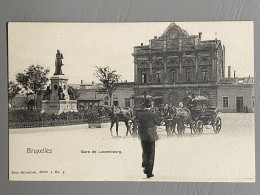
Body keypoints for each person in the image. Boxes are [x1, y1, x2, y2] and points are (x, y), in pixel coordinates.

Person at [137, 97, 161, 178]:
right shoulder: (153, 114)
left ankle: (145, 168)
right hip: (151, 136)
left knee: (145, 152)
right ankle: (149, 173)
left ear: (144, 106)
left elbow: (137, 122)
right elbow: (158, 123)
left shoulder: (141, 114)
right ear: (150, 106)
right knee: (151, 154)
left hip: (143, 136)